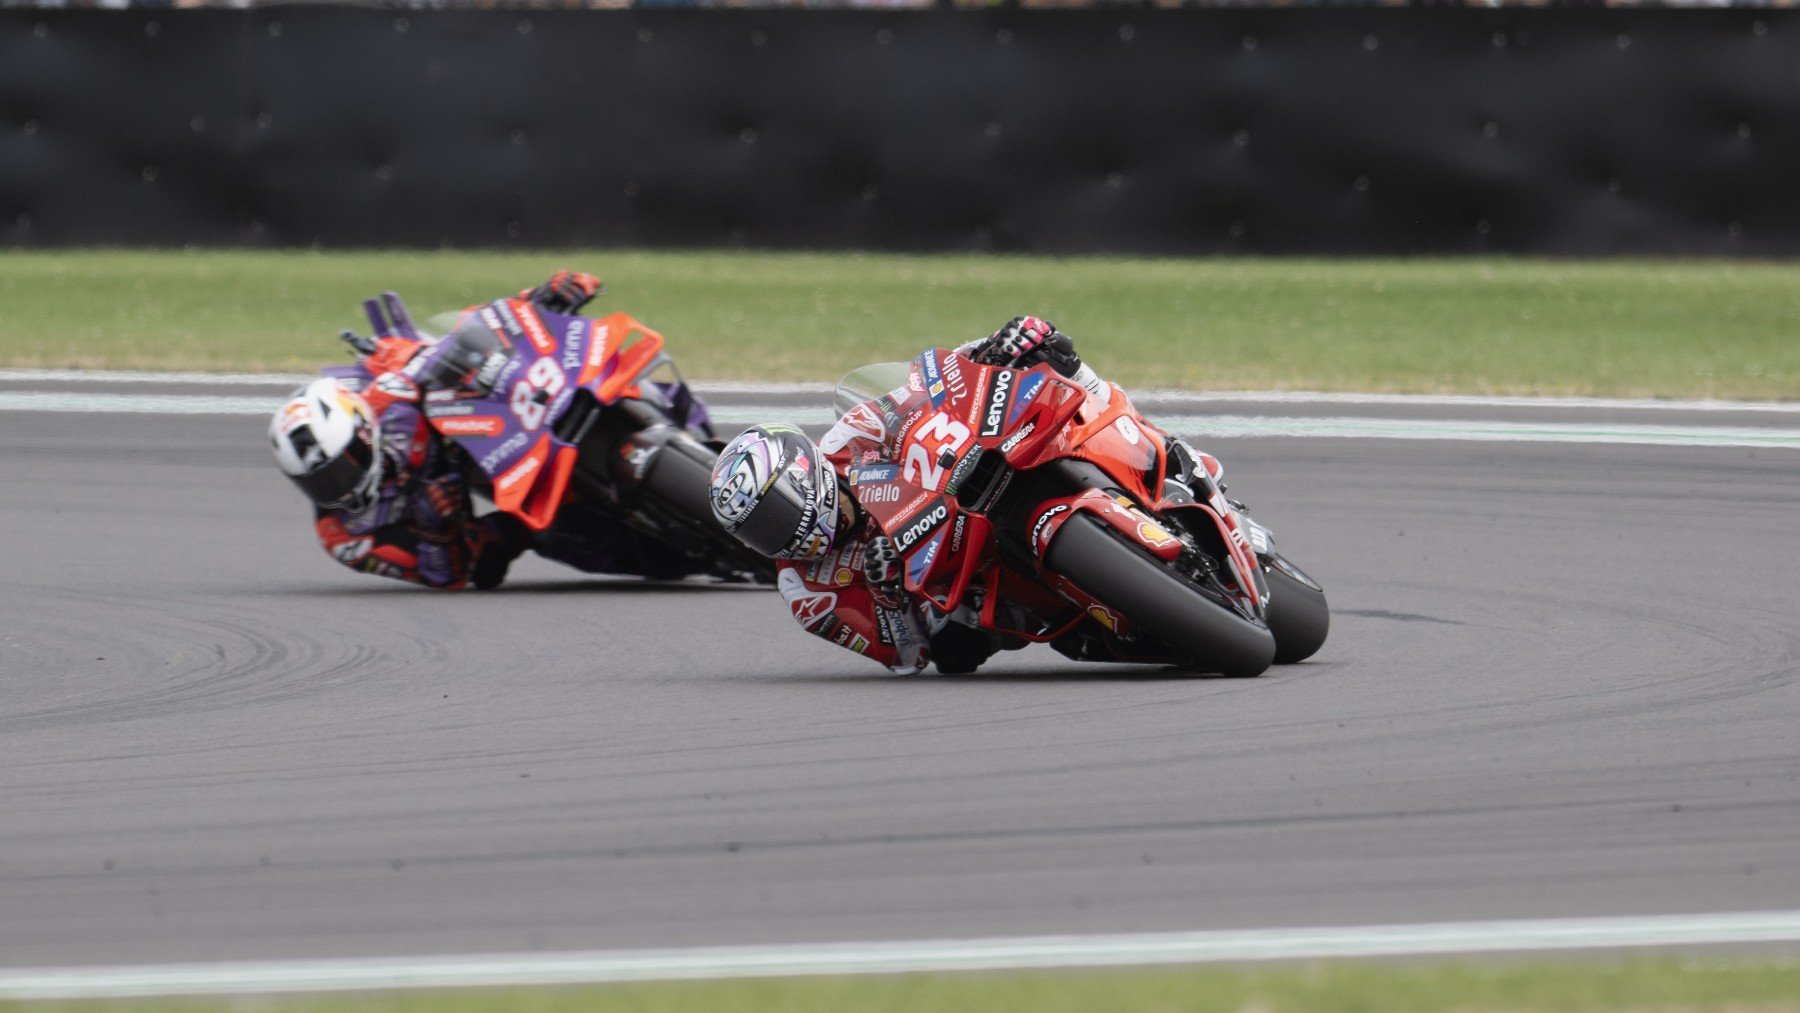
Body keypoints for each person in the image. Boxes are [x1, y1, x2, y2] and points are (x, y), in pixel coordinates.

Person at [709, 315, 1210, 675]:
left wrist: (989, 350)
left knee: (1050, 360)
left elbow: (925, 388)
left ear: (803, 472)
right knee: (954, 654)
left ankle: (1126, 420)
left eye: (774, 512)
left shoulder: (850, 436)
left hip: (967, 489)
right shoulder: (806, 592)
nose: (776, 535)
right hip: (955, 590)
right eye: (758, 531)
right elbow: (904, 658)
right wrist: (888, 594)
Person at [270, 271, 606, 590]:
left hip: (483, 428)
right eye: (317, 483)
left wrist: (538, 299)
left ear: (363, 432)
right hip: (465, 505)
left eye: (342, 468)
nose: (338, 488)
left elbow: (463, 335)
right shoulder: (345, 537)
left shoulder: (388, 397)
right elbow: (444, 577)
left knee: (500, 365)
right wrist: (436, 530)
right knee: (515, 551)